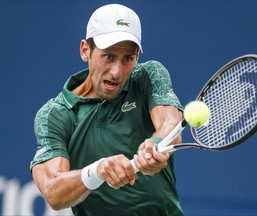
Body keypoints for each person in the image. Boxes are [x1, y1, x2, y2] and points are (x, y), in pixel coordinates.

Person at [30, 4, 184, 216]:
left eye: (128, 59)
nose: (117, 72)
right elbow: (53, 193)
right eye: (109, 57)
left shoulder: (147, 76)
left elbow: (171, 123)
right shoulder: (55, 115)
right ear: (85, 50)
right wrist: (97, 171)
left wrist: (155, 145)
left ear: (137, 56)